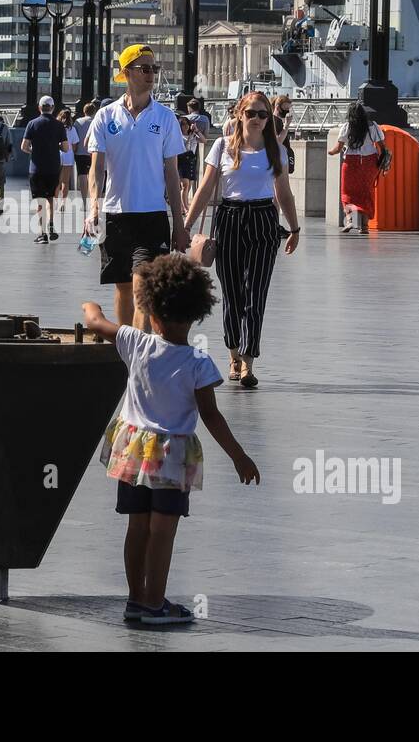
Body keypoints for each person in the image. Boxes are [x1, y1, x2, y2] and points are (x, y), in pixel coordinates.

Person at [81, 254, 260, 626]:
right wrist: (239, 456)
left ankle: (135, 599)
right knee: (163, 529)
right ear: (196, 315)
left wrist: (90, 305)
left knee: (137, 526)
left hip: (132, 449)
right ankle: (155, 602)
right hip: (171, 455)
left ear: (152, 313)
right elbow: (210, 415)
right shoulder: (198, 362)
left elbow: (95, 322)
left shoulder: (136, 342)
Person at [183, 93, 301, 387]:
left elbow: (283, 192)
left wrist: (294, 228)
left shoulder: (276, 150)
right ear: (239, 114)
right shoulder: (222, 147)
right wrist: (184, 226)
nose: (259, 120)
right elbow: (206, 188)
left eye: (263, 115)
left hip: (263, 220)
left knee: (256, 293)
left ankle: (248, 361)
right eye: (252, 114)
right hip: (230, 218)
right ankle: (234, 352)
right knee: (233, 294)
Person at [86, 44, 189, 329]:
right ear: (126, 73)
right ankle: (127, 350)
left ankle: (139, 351)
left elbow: (172, 172)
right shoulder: (106, 117)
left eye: (154, 69)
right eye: (145, 69)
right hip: (115, 214)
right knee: (122, 287)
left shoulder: (166, 118)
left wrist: (178, 224)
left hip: (152, 215)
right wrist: (93, 206)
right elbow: (95, 167)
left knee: (142, 284)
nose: (151, 74)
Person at [327, 102, 388, 233]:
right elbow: (381, 146)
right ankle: (365, 227)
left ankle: (349, 220)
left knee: (347, 193)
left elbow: (338, 148)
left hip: (351, 162)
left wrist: (330, 152)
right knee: (366, 193)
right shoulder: (373, 126)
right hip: (369, 163)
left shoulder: (346, 127)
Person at [21, 97, 70, 243]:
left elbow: (23, 146)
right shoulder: (59, 125)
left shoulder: (32, 124)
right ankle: (51, 223)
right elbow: (66, 148)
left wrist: (34, 151)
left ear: (39, 107)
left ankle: (42, 233)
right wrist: (57, 147)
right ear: (53, 108)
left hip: (36, 168)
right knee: (50, 199)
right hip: (53, 168)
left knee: (40, 201)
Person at [54, 108, 80, 230]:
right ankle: (63, 203)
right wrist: (71, 151)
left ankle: (54, 201)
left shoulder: (56, 128)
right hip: (68, 155)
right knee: (65, 181)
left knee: (56, 181)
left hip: (56, 155)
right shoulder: (72, 129)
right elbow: (75, 144)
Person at [73, 102, 97, 197]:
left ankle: (84, 199)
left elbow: (75, 137)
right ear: (94, 111)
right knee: (93, 175)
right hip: (93, 152)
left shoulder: (78, 122)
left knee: (82, 175)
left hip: (80, 152)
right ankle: (93, 197)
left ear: (84, 111)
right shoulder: (96, 121)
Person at [177, 115, 200, 211]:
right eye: (183, 124)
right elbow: (184, 148)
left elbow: (204, 140)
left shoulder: (194, 135)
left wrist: (196, 130)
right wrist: (190, 137)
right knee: (185, 185)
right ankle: (186, 208)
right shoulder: (178, 136)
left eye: (187, 124)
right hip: (182, 160)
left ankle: (183, 205)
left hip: (191, 160)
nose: (185, 126)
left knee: (189, 185)